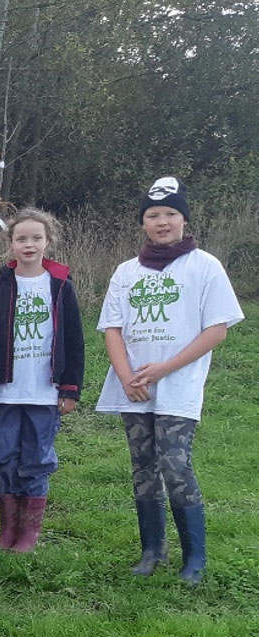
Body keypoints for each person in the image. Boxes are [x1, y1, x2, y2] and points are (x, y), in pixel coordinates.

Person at [97, 177, 241, 585]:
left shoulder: (205, 266)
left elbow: (216, 330)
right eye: (153, 215)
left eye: (171, 214)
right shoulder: (126, 272)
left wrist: (164, 368)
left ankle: (194, 558)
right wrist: (127, 377)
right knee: (143, 467)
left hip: (178, 386)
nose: (162, 222)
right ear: (143, 222)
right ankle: (151, 551)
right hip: (134, 388)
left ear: (184, 219)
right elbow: (112, 328)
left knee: (175, 466)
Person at [0, 209, 84, 554]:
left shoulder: (60, 287)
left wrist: (70, 388)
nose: (29, 244)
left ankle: (28, 534)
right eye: (21, 238)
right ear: (10, 243)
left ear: (47, 241)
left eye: (36, 238)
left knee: (37, 459)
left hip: (44, 392)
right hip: (4, 392)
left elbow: (75, 340)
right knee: (4, 456)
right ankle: (7, 529)